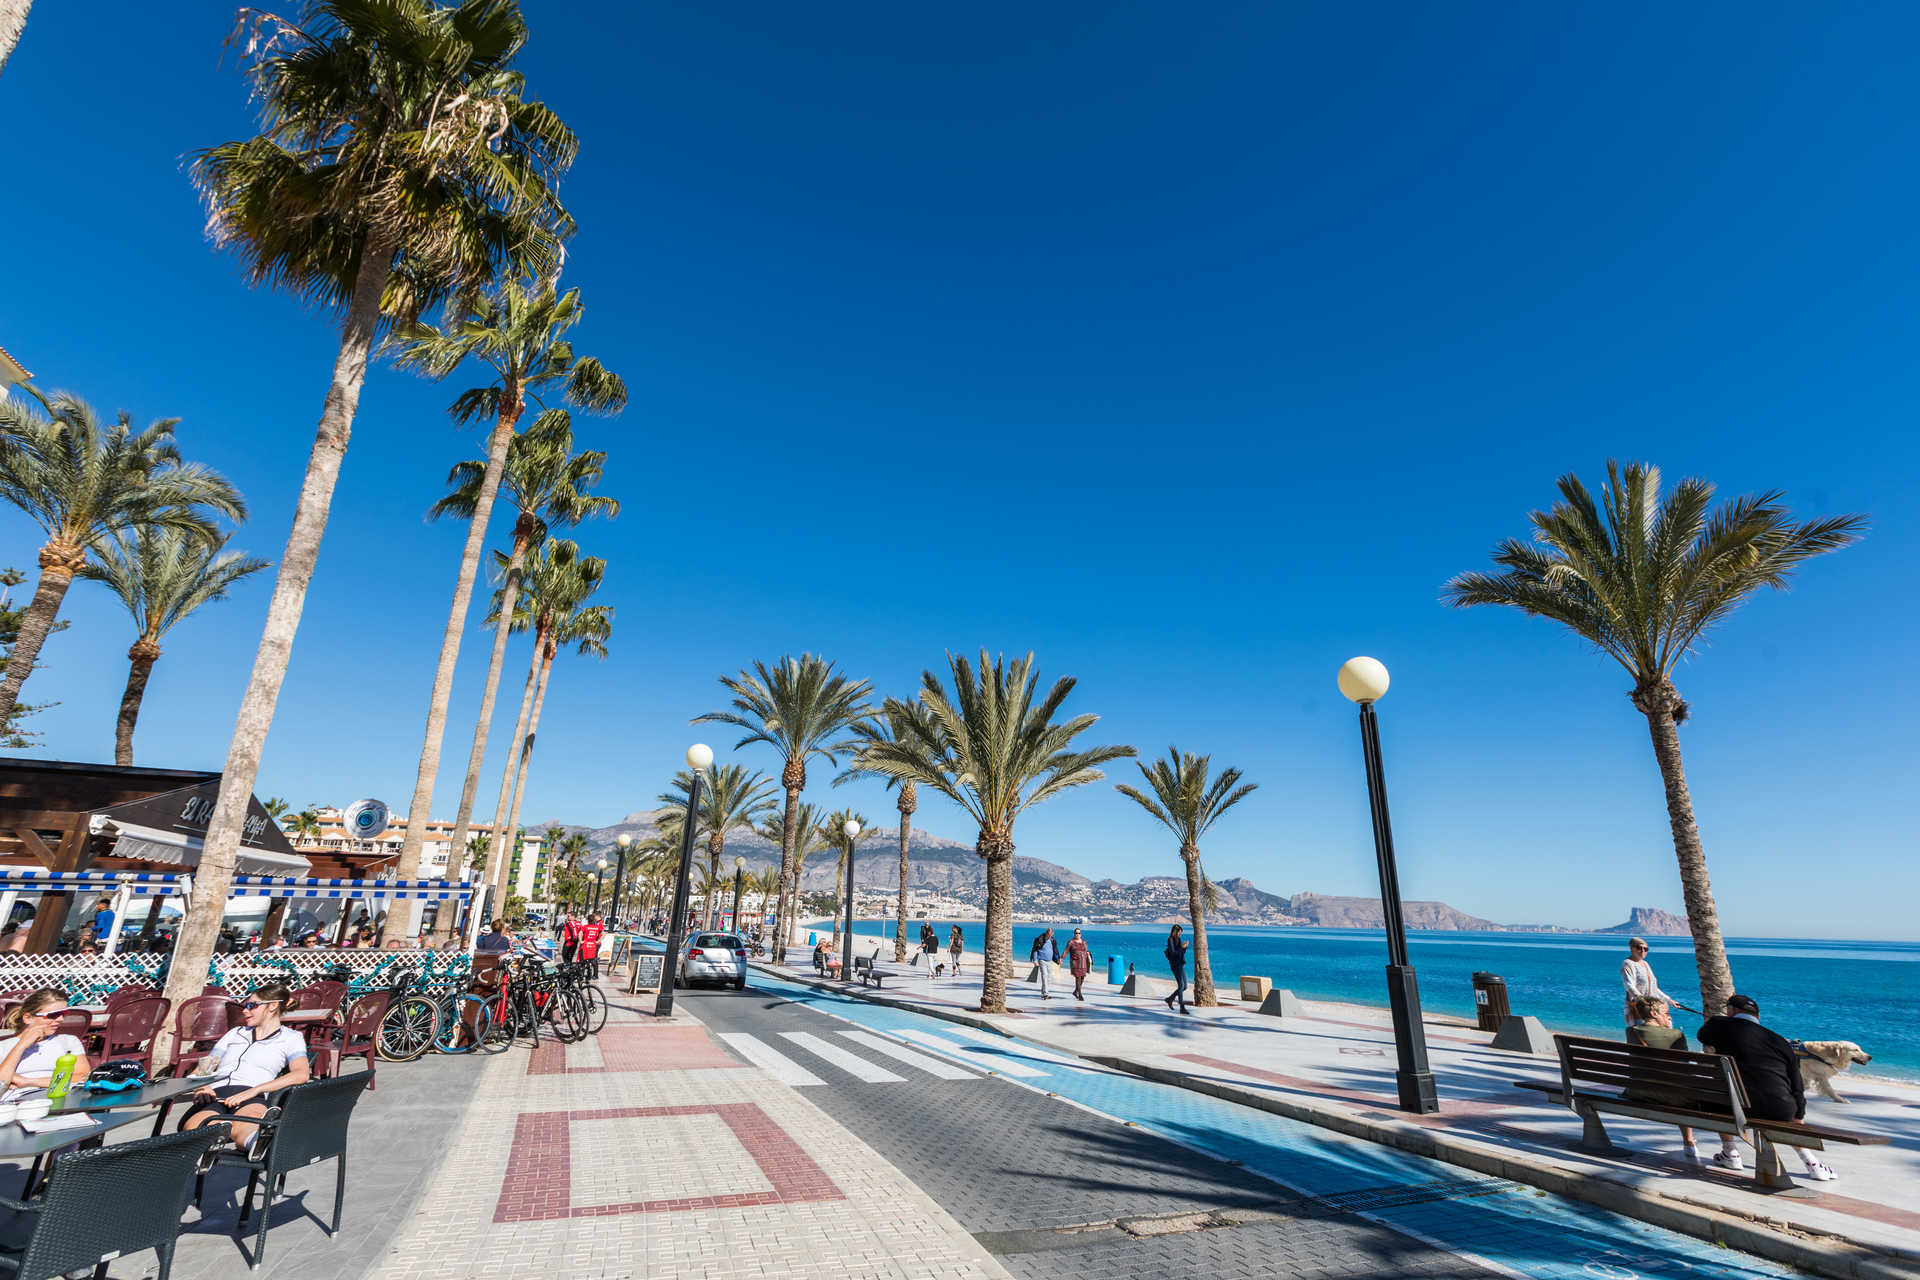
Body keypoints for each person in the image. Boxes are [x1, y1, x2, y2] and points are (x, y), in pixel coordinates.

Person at [1697, 993, 1833, 1181]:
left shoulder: (1721, 1026)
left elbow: (1702, 1035)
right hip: (1779, 1108)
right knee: (1777, 1103)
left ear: (1731, 1011)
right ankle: (1811, 1162)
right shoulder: (1779, 1041)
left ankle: (1730, 1152)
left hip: (1733, 1107)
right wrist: (1799, 1114)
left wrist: (1718, 1019)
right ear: (1758, 1016)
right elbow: (1796, 1083)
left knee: (1724, 1093)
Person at [179, 982, 311, 1157]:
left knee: (249, 1123)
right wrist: (199, 1087)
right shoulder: (235, 1033)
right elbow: (205, 1067)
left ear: (272, 1006)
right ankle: (209, 1148)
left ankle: (256, 1142)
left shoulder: (290, 1038)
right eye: (245, 1005)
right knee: (196, 1127)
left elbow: (301, 1074)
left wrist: (256, 1090)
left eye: (252, 1005)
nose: (244, 1010)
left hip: (251, 1093)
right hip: (215, 1094)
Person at [1626, 996, 1699, 1163]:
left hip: (1638, 1092)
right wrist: (1670, 1030)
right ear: (1653, 1013)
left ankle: (1689, 1142)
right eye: (1666, 1013)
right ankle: (1689, 1142)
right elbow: (1684, 1065)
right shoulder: (1676, 1035)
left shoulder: (1631, 1031)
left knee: (1674, 1088)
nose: (1669, 1017)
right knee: (1680, 1091)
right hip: (1672, 1096)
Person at [0, 989, 90, 1099]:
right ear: (28, 1018)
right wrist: (21, 1045)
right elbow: (1, 1083)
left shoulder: (68, 1042)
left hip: (64, 1100)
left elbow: (83, 1077)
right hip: (20, 1104)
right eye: (53, 1015)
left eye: (63, 1013)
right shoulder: (4, 1047)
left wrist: (29, 1082)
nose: (60, 1019)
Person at [1621, 937, 1673, 1027]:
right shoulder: (1628, 963)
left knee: (1666, 1027)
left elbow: (1653, 988)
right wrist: (1643, 1001)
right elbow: (1629, 986)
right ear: (1631, 948)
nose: (1642, 951)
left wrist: (1669, 1000)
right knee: (1642, 1032)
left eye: (1645, 949)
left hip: (1652, 1006)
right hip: (1639, 1007)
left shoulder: (1646, 964)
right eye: (1639, 948)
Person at [1164, 924, 1189, 1015]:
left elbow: (1181, 952)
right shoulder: (1170, 940)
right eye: (1179, 932)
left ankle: (1170, 999)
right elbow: (1173, 953)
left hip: (1180, 963)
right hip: (1175, 965)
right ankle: (1182, 1007)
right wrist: (1181, 948)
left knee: (1185, 986)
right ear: (1176, 932)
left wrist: (1184, 948)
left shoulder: (1179, 940)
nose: (1180, 934)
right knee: (1181, 985)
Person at [1029, 928, 1058, 999]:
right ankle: (1045, 993)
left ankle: (1043, 993)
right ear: (1046, 933)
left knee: (1049, 977)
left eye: (1051, 934)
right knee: (1044, 976)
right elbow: (1035, 950)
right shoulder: (1040, 939)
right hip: (1042, 960)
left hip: (1049, 961)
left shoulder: (1053, 940)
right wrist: (1035, 960)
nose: (1050, 936)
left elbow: (1055, 950)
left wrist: (1057, 959)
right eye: (1049, 934)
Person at [1066, 928, 1093, 1001]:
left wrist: (1089, 958)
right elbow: (1066, 951)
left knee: (1082, 977)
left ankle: (1075, 991)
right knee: (1078, 977)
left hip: (1083, 962)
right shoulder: (1071, 942)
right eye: (1076, 933)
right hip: (1075, 962)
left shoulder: (1084, 942)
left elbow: (1086, 950)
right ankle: (1080, 994)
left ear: (1080, 934)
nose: (1077, 934)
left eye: (1078, 933)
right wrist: (1061, 958)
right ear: (1074, 934)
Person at [579, 913, 605, 979]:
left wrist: (581, 941)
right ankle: (593, 974)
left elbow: (580, 933)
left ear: (588, 920)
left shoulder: (585, 927)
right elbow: (603, 933)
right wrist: (598, 941)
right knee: (593, 959)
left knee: (583, 960)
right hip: (593, 945)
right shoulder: (597, 927)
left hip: (585, 945)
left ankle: (582, 975)